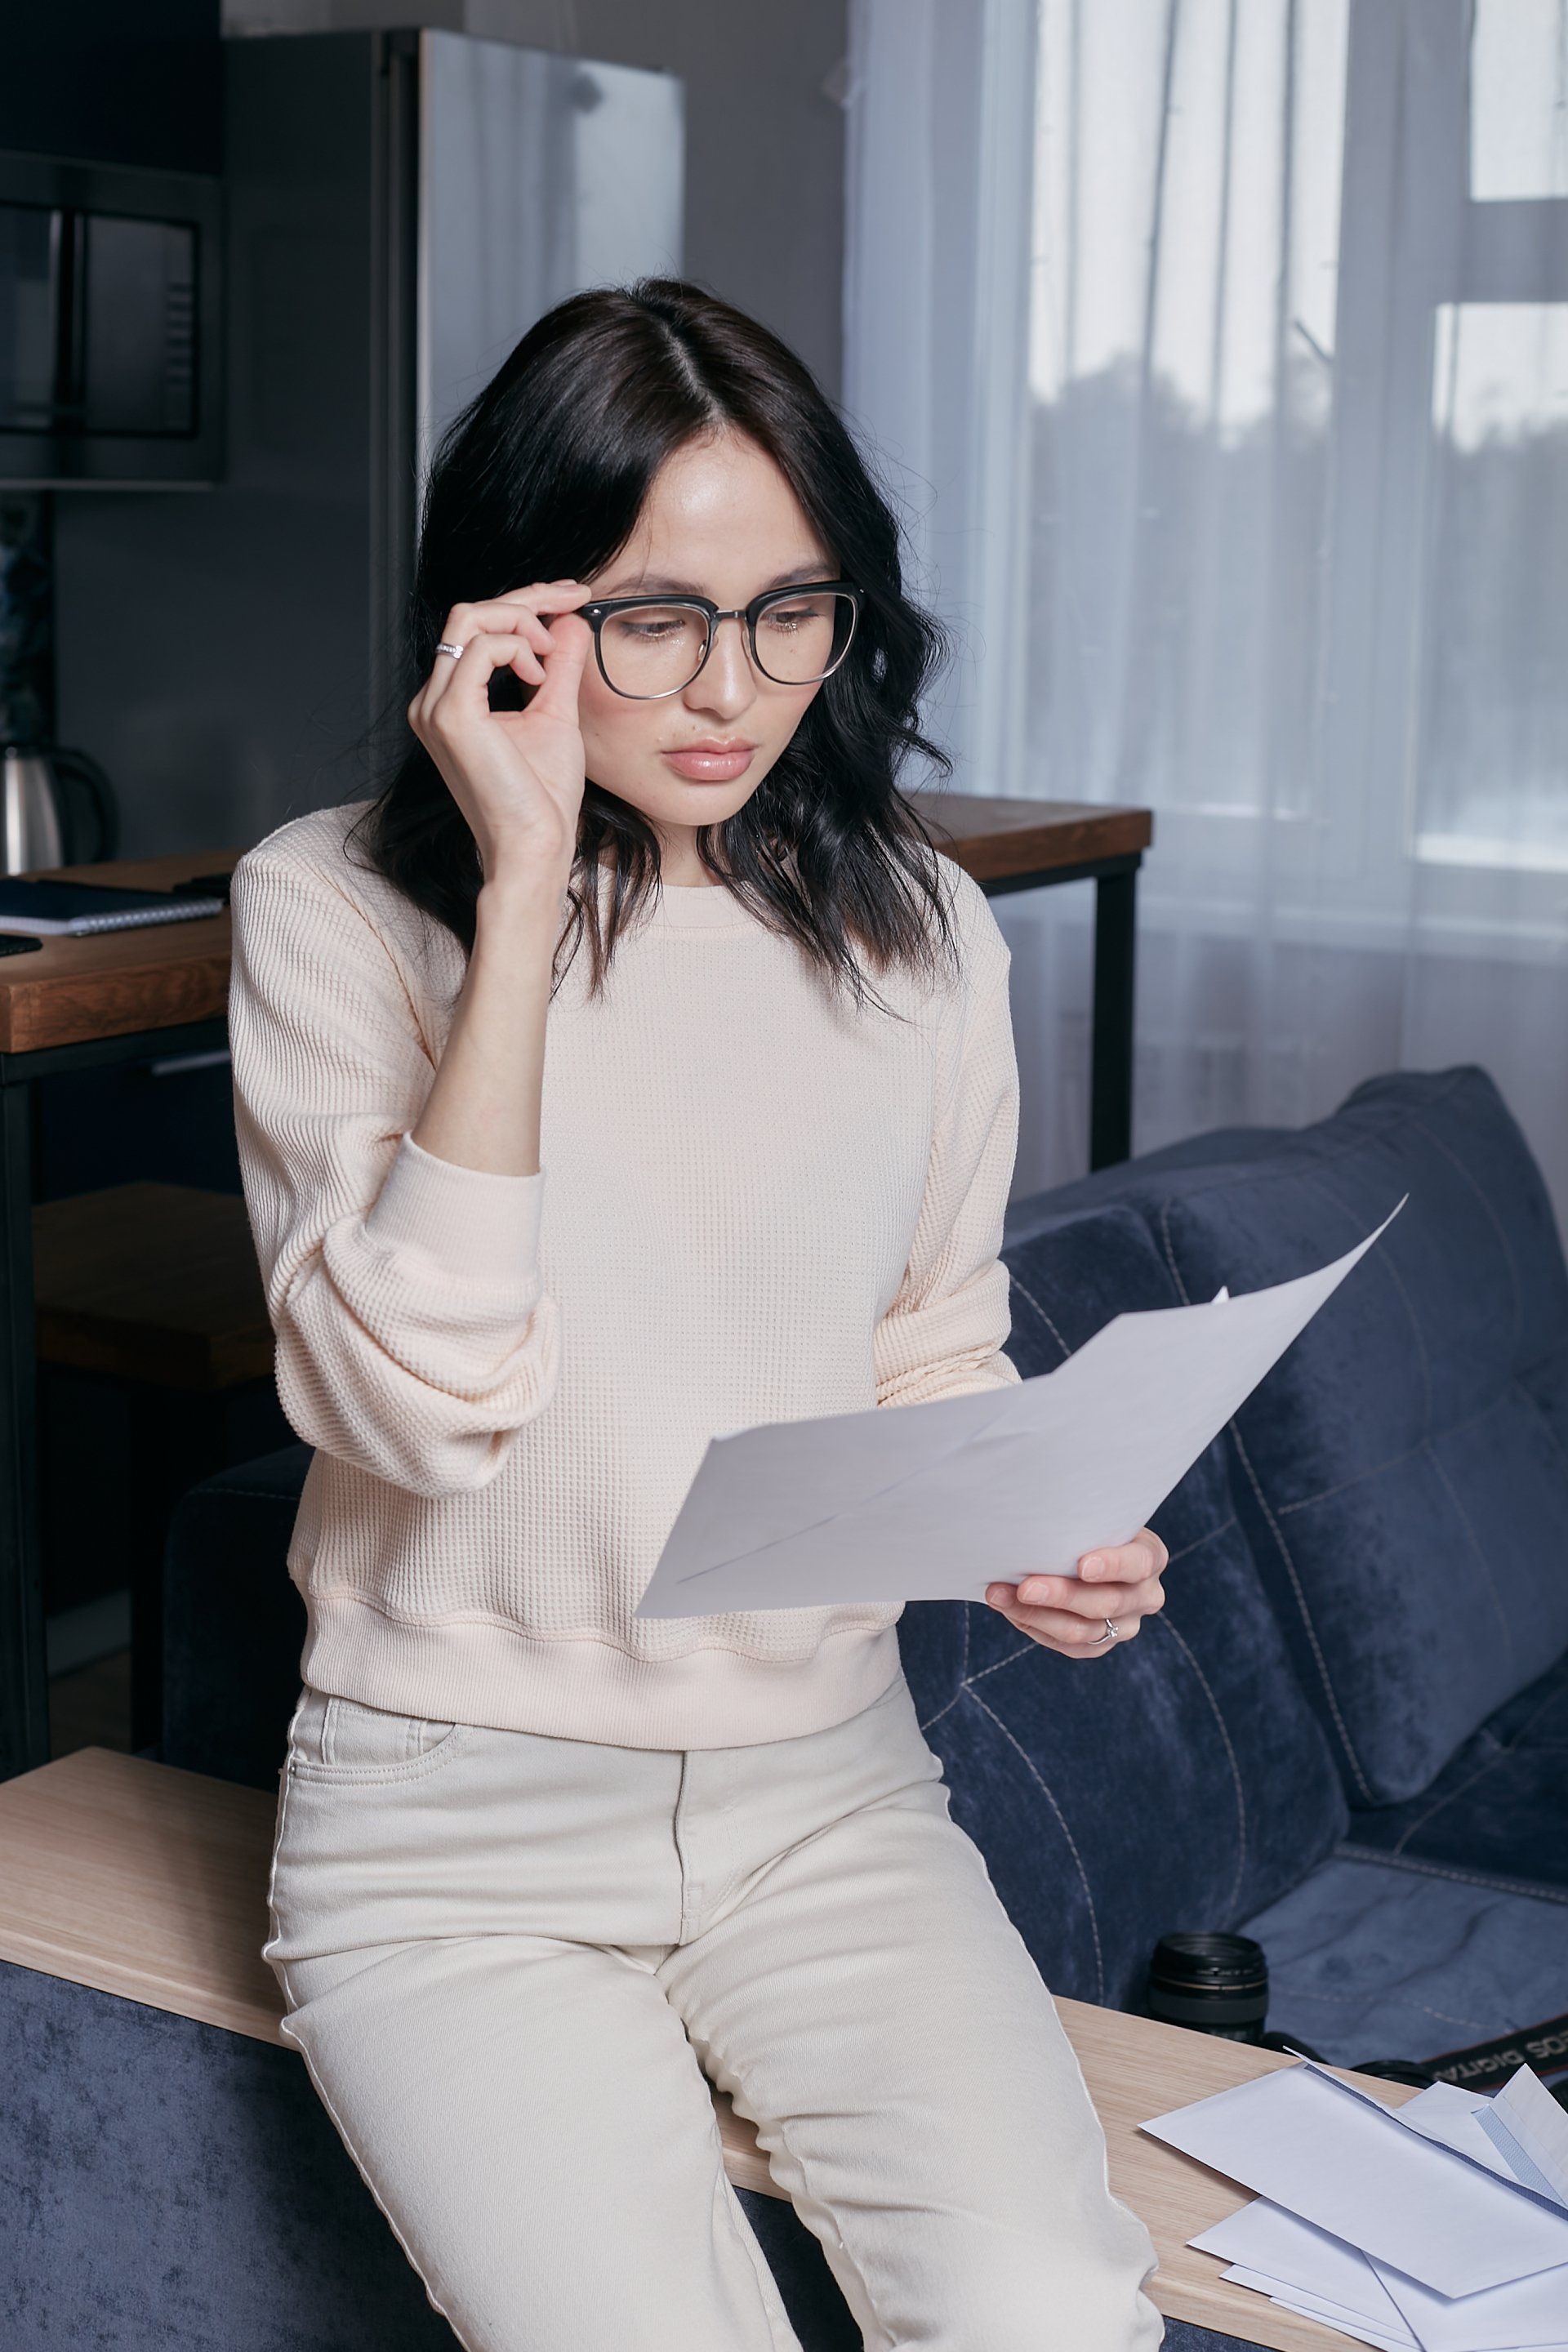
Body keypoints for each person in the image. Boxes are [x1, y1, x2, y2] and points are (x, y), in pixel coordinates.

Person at [229, 278, 1170, 2352]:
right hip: (450, 1833)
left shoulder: (914, 926)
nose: (732, 689)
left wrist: (1020, 1519)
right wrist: (521, 883)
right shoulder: (329, 908)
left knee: (1053, 2317)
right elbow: (421, 1407)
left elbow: (928, 1335)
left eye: (792, 611)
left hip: (824, 1797)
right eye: (654, 617)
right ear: (518, 615)